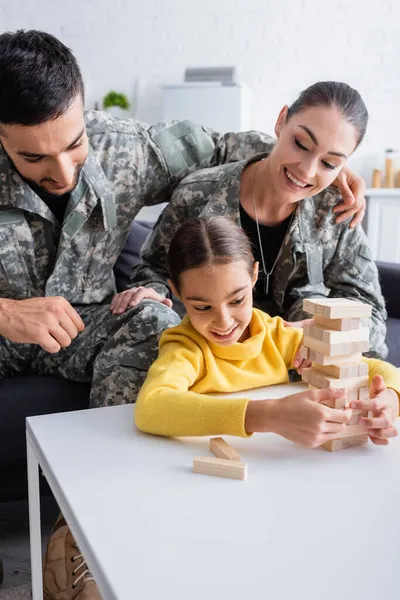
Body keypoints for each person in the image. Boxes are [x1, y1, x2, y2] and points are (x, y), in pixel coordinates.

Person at [0, 29, 364, 599]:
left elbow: (228, 147)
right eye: (33, 156)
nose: (65, 172)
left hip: (80, 326)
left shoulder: (125, 145)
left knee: (153, 324)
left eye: (74, 145)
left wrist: (318, 172)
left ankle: (90, 530)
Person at [125, 81, 387, 359]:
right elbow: (154, 269)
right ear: (280, 122)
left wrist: (324, 330)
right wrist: (154, 296)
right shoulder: (198, 194)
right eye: (300, 144)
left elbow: (369, 309)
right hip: (205, 349)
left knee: (314, 309)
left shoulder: (336, 211)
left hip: (294, 362)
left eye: (329, 163)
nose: (308, 171)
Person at [135, 216, 399, 447]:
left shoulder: (277, 336)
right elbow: (152, 407)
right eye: (203, 307)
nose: (224, 322)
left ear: (253, 276)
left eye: (237, 300)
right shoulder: (186, 347)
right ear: (178, 292)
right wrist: (271, 415)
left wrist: (389, 399)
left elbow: (376, 369)